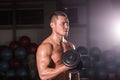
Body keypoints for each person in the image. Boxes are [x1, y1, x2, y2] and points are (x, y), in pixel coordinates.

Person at [36, 11, 80, 80]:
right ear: (52, 25)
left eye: (67, 24)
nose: (66, 27)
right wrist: (66, 66)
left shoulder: (70, 45)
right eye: (63, 24)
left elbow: (74, 72)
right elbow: (43, 75)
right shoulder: (46, 47)